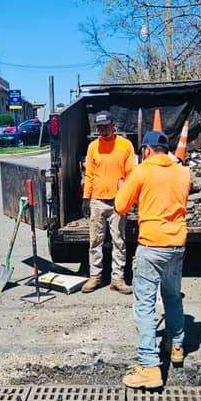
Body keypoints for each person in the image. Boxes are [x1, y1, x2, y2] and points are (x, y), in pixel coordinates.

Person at [114, 130, 191, 389]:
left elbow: (121, 207)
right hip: (177, 245)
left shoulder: (143, 171)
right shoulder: (182, 172)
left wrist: (122, 188)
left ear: (146, 150)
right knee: (172, 296)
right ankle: (176, 346)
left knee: (145, 305)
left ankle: (149, 367)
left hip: (152, 245)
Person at [81, 111, 135, 294]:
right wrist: (86, 198)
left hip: (118, 202)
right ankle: (95, 277)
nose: (102, 130)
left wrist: (128, 199)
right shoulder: (93, 147)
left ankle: (117, 279)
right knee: (95, 241)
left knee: (119, 241)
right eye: (99, 127)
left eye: (105, 126)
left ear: (114, 125)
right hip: (97, 200)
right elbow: (89, 174)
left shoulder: (125, 146)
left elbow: (130, 175)